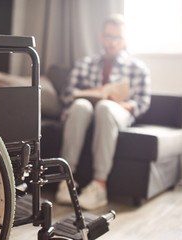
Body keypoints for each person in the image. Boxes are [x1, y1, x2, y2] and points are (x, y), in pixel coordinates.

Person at [56, 14, 151, 210]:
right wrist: (89, 95)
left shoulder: (138, 68)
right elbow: (67, 95)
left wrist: (120, 103)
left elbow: (142, 103)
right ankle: (66, 180)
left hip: (116, 112)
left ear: (124, 39)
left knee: (105, 107)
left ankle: (99, 185)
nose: (112, 42)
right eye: (109, 36)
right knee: (80, 106)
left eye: (117, 38)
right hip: (86, 112)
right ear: (101, 36)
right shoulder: (85, 64)